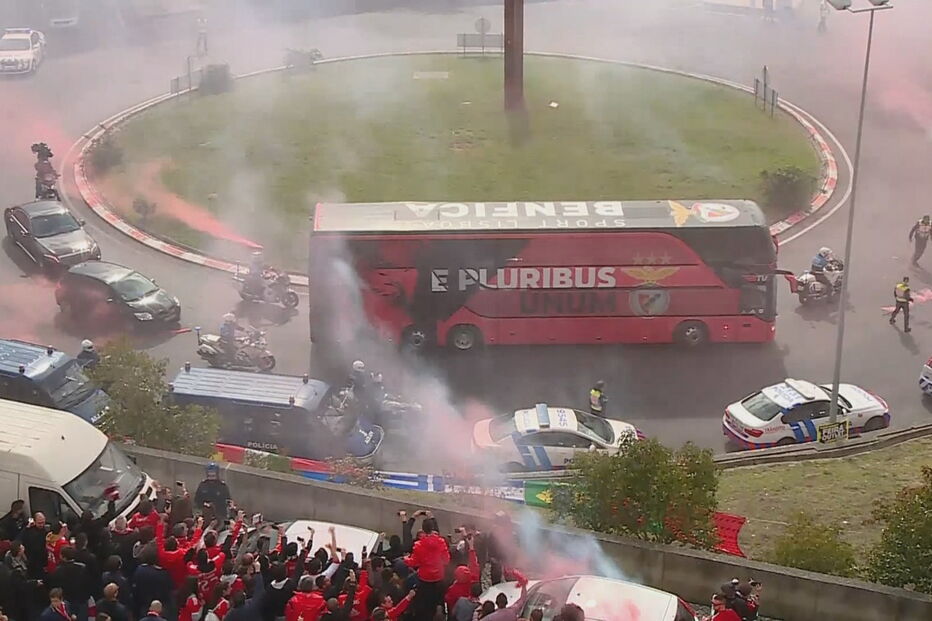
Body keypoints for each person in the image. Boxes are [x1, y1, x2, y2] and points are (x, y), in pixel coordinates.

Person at [403, 518, 449, 621]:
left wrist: (406, 559)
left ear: (423, 530)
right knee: (439, 600)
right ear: (432, 528)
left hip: (425, 580)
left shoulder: (419, 545)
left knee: (425, 604)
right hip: (439, 578)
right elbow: (446, 560)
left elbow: (414, 562)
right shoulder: (441, 542)